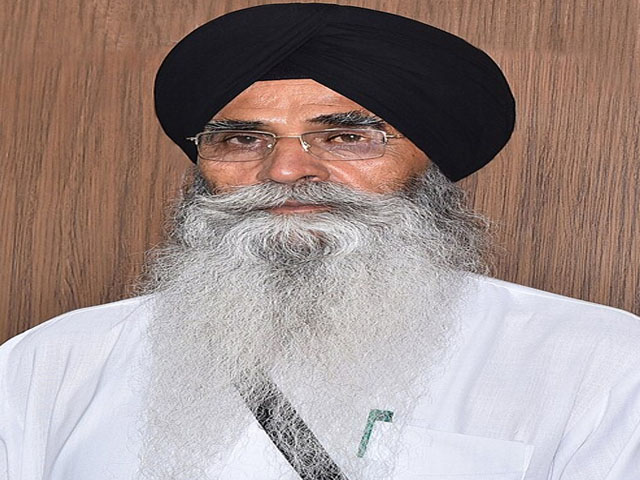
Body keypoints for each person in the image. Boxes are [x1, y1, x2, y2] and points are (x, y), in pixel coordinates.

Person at [1, 3, 638, 480]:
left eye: (347, 137)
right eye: (241, 139)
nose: (284, 170)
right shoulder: (53, 362)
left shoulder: (601, 363)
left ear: (431, 164)